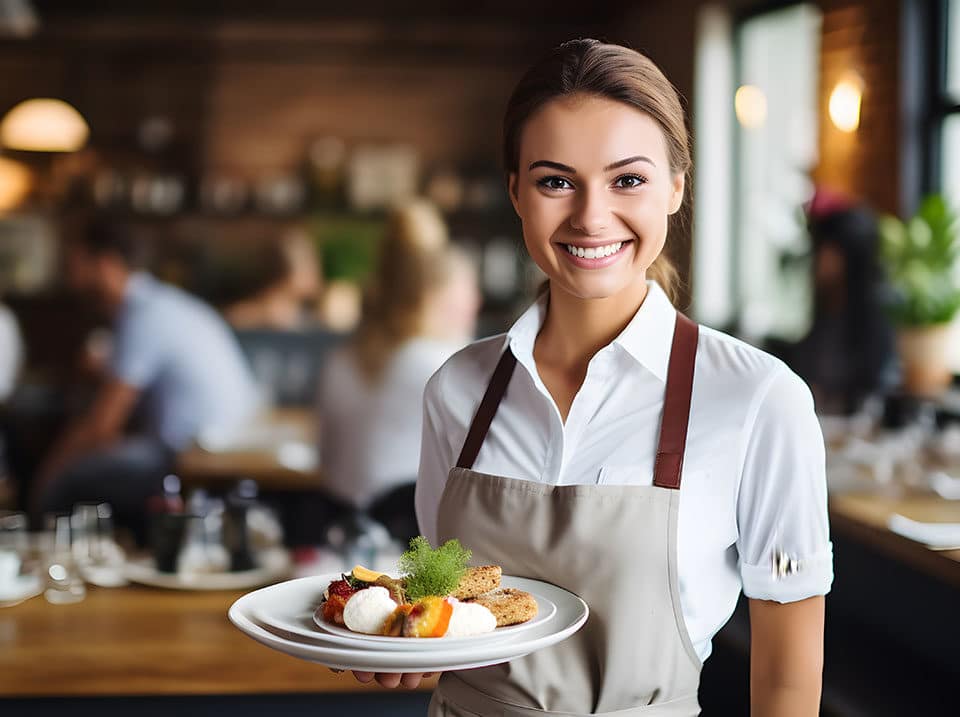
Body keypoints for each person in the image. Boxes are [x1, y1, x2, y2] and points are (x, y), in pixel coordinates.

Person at [352, 40, 833, 714]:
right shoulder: (458, 388)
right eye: (556, 180)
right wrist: (401, 648)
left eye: (627, 179)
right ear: (517, 190)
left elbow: (786, 678)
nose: (591, 215)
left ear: (676, 186)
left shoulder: (758, 398)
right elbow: (454, 617)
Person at [33, 221, 262, 536]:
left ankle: (54, 567)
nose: (70, 278)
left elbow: (102, 427)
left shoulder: (142, 315)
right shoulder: (160, 303)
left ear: (106, 263)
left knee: (67, 481)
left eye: (75, 264)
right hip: (225, 442)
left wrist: (47, 475)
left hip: (190, 457)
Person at [317, 200, 480, 543]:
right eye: (466, 293)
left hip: (337, 531)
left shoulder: (342, 358)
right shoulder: (442, 364)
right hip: (410, 538)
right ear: (436, 294)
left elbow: (326, 462)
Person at [775, 188, 896, 414]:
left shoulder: (878, 316)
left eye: (824, 250)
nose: (817, 260)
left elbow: (874, 389)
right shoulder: (828, 307)